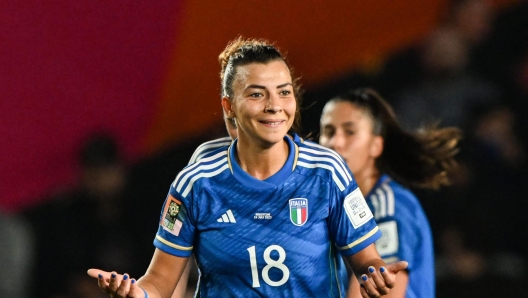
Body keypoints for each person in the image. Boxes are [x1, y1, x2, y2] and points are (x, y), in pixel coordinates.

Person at [88, 37, 407, 298]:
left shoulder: (327, 172)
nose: (274, 105)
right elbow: (159, 282)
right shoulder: (197, 184)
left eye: (284, 92)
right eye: (257, 94)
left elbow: (367, 260)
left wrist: (375, 276)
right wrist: (136, 294)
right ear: (229, 105)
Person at [319, 88, 461, 297]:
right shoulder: (337, 207)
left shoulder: (388, 205)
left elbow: (384, 292)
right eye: (329, 132)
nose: (335, 143)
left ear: (376, 145)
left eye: (349, 132)